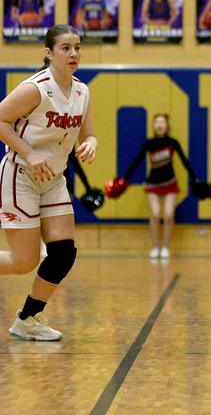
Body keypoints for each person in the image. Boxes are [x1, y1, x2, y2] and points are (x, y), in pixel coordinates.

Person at [0, 24, 97, 340]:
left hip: (54, 180)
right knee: (23, 261)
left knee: (63, 253)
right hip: (21, 176)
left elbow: (88, 132)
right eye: (66, 48)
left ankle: (27, 319)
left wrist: (91, 142)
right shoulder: (36, 88)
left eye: (77, 47)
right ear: (49, 53)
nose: (73, 54)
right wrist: (29, 152)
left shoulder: (82, 91)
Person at [118, 114, 197, 259]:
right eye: (157, 122)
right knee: (155, 215)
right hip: (153, 183)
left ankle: (166, 247)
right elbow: (136, 161)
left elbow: (185, 161)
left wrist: (195, 179)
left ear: (167, 125)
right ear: (153, 126)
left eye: (162, 122)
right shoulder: (149, 143)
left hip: (170, 183)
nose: (160, 125)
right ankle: (155, 247)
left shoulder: (173, 142)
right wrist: (124, 179)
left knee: (168, 215)